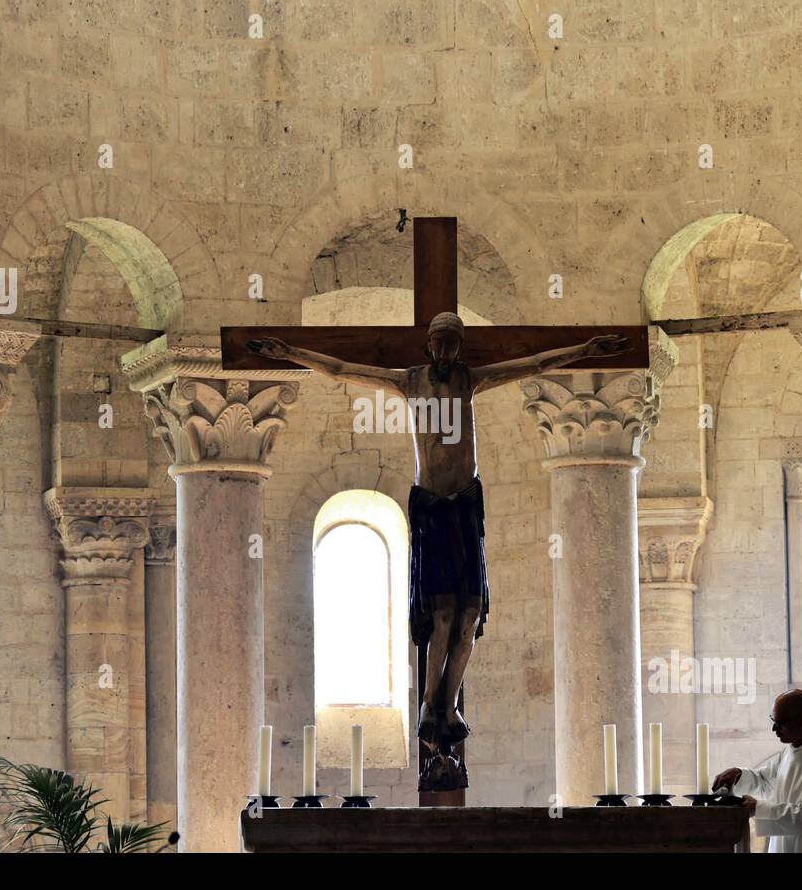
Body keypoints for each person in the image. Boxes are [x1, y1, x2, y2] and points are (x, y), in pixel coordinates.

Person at [248, 314, 627, 789]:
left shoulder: (470, 380)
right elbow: (342, 369)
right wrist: (290, 354)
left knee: (470, 616)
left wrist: (587, 348)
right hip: (431, 506)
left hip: (466, 503)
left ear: (459, 346)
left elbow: (532, 363)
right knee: (441, 616)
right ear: (428, 345)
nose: (446, 351)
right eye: (440, 342)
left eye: (453, 343)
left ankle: (448, 706)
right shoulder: (408, 382)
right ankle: (432, 706)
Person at [712, 689, 802, 852]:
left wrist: (758, 808)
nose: (774, 729)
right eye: (773, 721)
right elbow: (765, 782)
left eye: (780, 723)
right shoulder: (790, 753)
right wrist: (739, 775)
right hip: (783, 843)